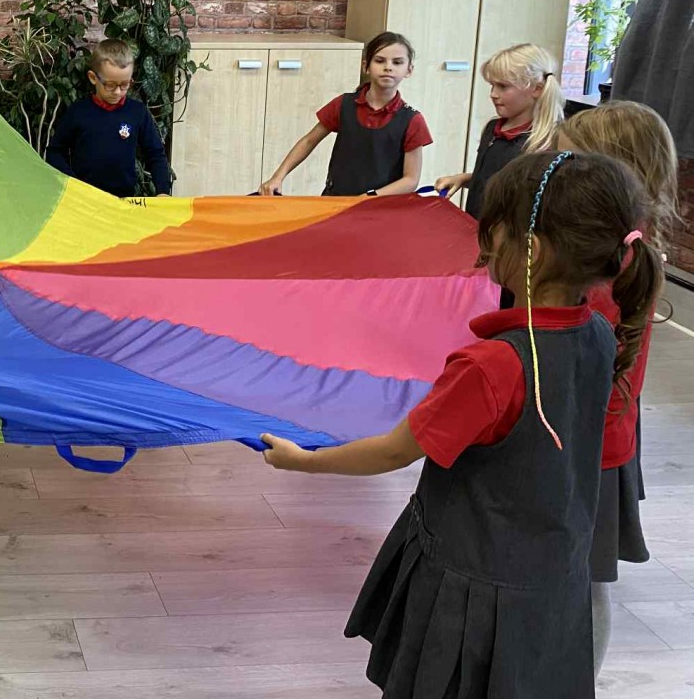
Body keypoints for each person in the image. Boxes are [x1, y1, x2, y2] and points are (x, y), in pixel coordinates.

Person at [261, 149, 661, 697]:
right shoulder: (596, 335)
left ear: (530, 251)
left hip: (472, 590)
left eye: (492, 228)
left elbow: (394, 450)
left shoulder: (492, 367)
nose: (483, 239)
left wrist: (303, 461)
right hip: (553, 579)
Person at [560, 100, 679, 676]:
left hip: (589, 446)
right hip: (594, 438)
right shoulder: (616, 247)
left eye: (572, 163)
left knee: (585, 583)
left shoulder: (614, 263)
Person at [259, 31, 431, 197]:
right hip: (336, 200)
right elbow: (309, 141)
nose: (388, 67)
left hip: (382, 208)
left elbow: (410, 180)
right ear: (366, 66)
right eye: (380, 61)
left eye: (397, 62)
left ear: (409, 70)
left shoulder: (412, 120)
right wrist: (277, 177)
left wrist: (369, 197)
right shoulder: (344, 104)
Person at [433, 43, 563, 218]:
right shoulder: (492, 128)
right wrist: (464, 179)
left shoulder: (545, 142)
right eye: (492, 85)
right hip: (475, 224)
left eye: (503, 86)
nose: (493, 94)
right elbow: (495, 177)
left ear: (536, 89)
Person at [44, 39, 172, 198]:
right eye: (110, 85)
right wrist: (73, 184)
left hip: (123, 200)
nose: (118, 92)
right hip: (83, 199)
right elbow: (55, 152)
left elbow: (156, 154)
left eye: (125, 84)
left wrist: (163, 191)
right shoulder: (78, 112)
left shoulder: (138, 112)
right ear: (93, 77)